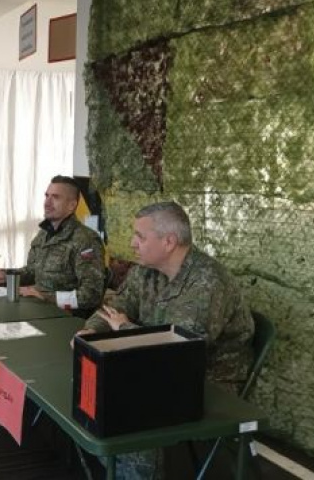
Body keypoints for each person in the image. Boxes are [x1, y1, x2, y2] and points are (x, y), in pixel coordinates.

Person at [77, 201, 254, 479]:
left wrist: (123, 328)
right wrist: (90, 331)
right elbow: (116, 306)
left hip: (208, 380)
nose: (133, 244)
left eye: (140, 236)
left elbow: (178, 353)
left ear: (169, 242)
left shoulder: (207, 282)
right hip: (152, 364)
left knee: (127, 410)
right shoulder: (146, 271)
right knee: (86, 392)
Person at [0, 176, 106, 317]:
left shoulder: (86, 240)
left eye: (55, 197)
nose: (47, 202)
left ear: (71, 205)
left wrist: (47, 297)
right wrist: (6, 275)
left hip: (64, 317)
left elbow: (91, 295)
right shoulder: (44, 234)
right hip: (35, 308)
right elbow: (32, 272)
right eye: (47, 196)